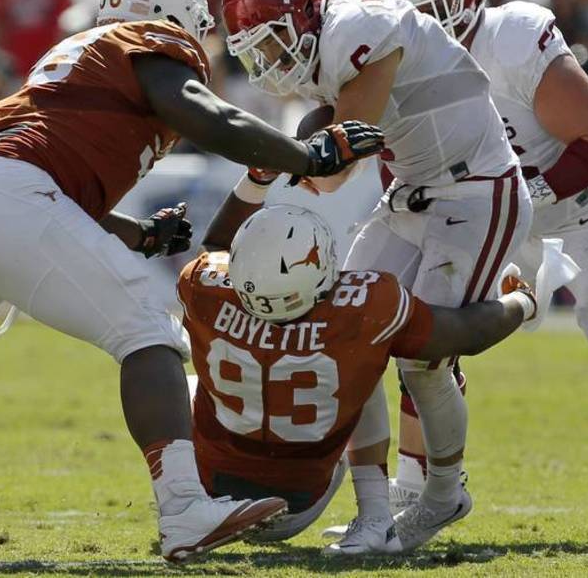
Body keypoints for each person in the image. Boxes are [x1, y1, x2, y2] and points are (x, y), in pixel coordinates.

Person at [0, 0, 384, 564]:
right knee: (147, 327)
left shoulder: (75, 55)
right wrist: (308, 156)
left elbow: (35, 176)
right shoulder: (147, 43)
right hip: (9, 194)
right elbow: (203, 113)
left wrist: (135, 233)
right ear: (177, 9)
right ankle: (185, 507)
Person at [221, 0, 532, 553]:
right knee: (345, 337)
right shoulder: (327, 34)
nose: (270, 59)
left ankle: (444, 493)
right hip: (412, 195)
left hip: (476, 191)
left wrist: (267, 164)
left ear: (307, 13)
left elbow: (337, 163)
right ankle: (373, 512)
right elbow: (329, 125)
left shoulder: (357, 30)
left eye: (275, 39)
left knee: (424, 359)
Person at [176, 182, 539, 553]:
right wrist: (522, 301)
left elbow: (215, 246)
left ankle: (178, 503)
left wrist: (255, 179)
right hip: (298, 502)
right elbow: (466, 334)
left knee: (177, 375)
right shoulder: (362, 306)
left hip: (215, 499)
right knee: (358, 358)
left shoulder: (201, 284)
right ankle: (374, 514)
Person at [382, 0, 588, 511]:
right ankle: (417, 483)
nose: (423, 21)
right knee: (423, 326)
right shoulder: (403, 57)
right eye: (410, 8)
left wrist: (542, 188)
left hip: (580, 214)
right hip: (493, 216)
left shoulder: (512, 39)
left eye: (434, 4)